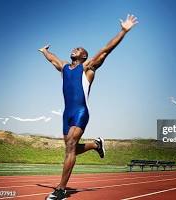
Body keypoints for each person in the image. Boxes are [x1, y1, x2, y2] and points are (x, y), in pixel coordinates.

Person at [39, 14, 138, 200]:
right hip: (66, 114)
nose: (74, 49)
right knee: (72, 149)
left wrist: (123, 31)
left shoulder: (88, 67)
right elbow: (53, 59)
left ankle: (61, 190)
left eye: (79, 49)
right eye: (74, 48)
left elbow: (105, 50)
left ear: (84, 56)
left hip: (79, 112)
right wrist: (44, 51)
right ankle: (95, 144)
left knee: (70, 147)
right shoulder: (64, 67)